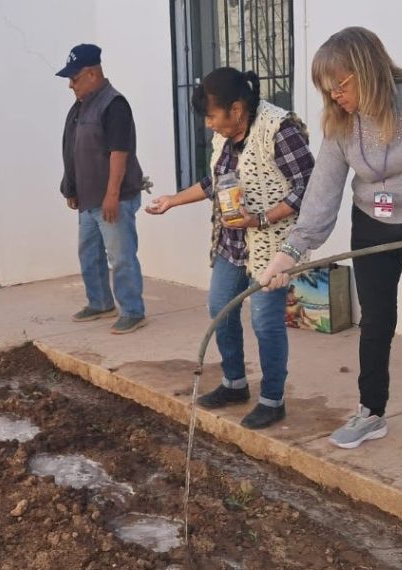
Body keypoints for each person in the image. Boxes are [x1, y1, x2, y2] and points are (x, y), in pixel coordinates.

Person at [259, 27, 402, 473]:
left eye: (341, 84)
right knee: (376, 323)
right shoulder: (341, 122)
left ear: (367, 69)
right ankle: (371, 412)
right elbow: (323, 192)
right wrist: (289, 253)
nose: (334, 94)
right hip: (372, 225)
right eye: (326, 87)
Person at [146, 67, 314, 429]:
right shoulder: (225, 137)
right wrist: (172, 201)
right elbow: (215, 181)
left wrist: (263, 219)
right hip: (232, 241)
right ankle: (234, 383)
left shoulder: (278, 129)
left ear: (236, 109)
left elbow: (308, 186)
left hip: (272, 244)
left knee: (265, 321)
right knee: (219, 306)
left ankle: (272, 399)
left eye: (212, 115)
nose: (208, 124)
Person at [57, 43, 147, 335]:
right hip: (87, 198)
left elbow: (119, 152)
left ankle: (133, 311)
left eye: (75, 78)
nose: (71, 85)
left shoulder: (114, 104)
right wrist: (71, 188)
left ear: (93, 74)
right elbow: (73, 149)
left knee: (120, 255)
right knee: (89, 253)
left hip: (112, 199)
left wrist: (112, 195)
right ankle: (99, 303)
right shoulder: (81, 106)